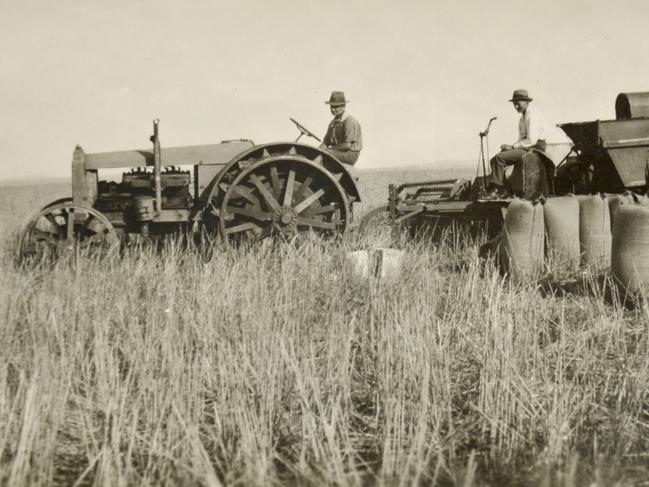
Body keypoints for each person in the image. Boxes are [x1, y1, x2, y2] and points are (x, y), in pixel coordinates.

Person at [489, 89, 547, 194]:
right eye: (514, 104)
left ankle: (496, 190)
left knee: (499, 158)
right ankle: (505, 189)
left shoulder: (532, 115)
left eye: (518, 104)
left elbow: (532, 140)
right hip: (526, 147)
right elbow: (522, 139)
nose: (516, 107)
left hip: (535, 148)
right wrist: (511, 147)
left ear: (526, 102)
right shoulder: (522, 117)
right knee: (494, 159)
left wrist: (512, 147)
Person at [319, 91, 363, 167]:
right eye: (331, 107)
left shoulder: (349, 121)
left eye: (336, 107)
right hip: (338, 151)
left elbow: (347, 145)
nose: (333, 109)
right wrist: (317, 151)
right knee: (317, 154)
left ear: (343, 106)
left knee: (324, 155)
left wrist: (328, 150)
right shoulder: (333, 123)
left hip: (350, 154)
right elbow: (326, 143)